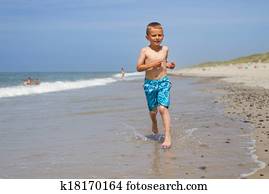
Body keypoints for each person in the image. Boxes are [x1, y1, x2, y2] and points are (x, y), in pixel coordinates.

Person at [136, 22, 175, 149]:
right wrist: (153, 64)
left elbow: (164, 62)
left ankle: (167, 136)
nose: (157, 37)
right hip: (150, 84)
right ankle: (154, 122)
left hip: (163, 81)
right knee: (153, 111)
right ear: (147, 37)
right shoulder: (145, 50)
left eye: (160, 35)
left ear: (163, 36)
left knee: (163, 109)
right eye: (154, 35)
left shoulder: (165, 49)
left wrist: (169, 65)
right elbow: (139, 67)